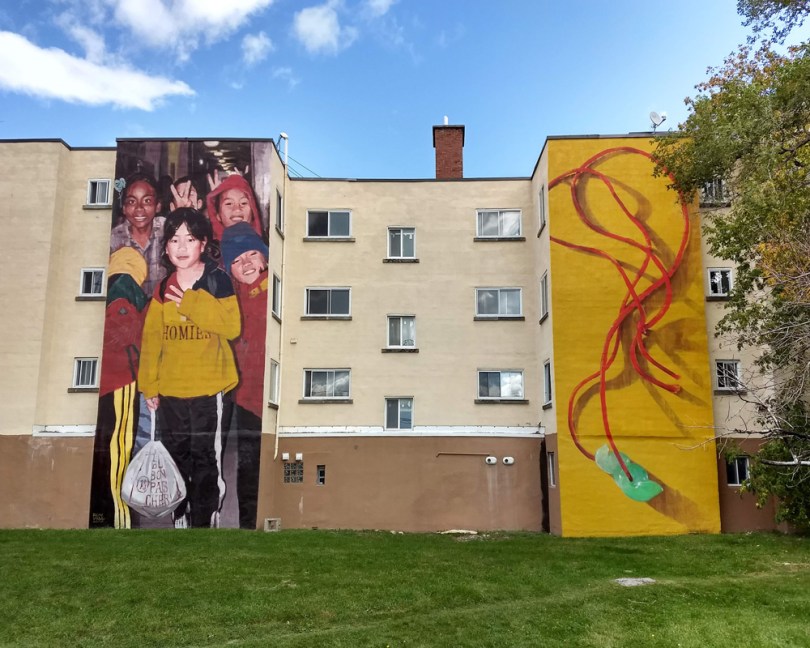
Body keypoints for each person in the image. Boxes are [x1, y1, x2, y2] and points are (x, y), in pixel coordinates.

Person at [138, 208, 241, 528]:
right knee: (176, 454)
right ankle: (180, 512)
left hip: (209, 390)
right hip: (171, 391)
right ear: (166, 248)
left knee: (205, 457)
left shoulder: (217, 280)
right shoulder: (162, 288)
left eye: (190, 239)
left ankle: (206, 516)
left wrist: (191, 302)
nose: (182, 247)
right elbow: (152, 341)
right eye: (174, 240)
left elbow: (232, 326)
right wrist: (149, 386)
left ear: (203, 243)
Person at [88, 247, 149, 529]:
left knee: (107, 447)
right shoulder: (126, 290)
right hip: (122, 381)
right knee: (119, 448)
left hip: (105, 385)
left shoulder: (110, 291)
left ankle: (105, 513)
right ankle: (118, 517)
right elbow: (126, 333)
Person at [221, 222, 270, 529]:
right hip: (241, 398)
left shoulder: (273, 291)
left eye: (252, 253)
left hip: (265, 397)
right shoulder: (231, 296)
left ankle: (252, 523)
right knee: (246, 467)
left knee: (256, 466)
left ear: (264, 256)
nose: (247, 263)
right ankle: (247, 526)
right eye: (237, 260)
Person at [110, 173, 166, 298]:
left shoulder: (167, 230)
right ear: (124, 208)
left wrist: (183, 213)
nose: (139, 208)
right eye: (132, 201)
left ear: (158, 206)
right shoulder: (113, 239)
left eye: (147, 201)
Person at [205, 172, 264, 242]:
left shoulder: (266, 245)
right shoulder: (210, 248)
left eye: (243, 203)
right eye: (229, 203)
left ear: (253, 211)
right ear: (218, 215)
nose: (237, 209)